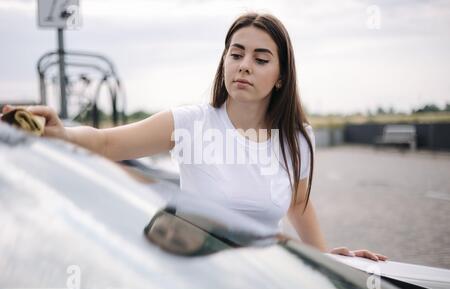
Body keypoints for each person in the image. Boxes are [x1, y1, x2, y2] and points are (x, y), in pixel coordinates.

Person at [2, 12, 387, 261]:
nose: (244, 66)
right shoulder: (191, 123)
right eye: (236, 54)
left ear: (281, 76)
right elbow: (106, 143)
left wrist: (329, 264)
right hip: (199, 282)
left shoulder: (298, 137)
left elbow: (299, 205)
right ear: (224, 61)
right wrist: (59, 132)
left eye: (260, 58)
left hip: (267, 283)